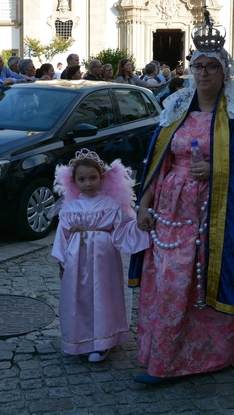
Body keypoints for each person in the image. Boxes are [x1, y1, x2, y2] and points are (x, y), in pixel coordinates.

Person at [130, 15, 234, 384]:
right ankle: (164, 353)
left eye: (212, 67)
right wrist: (144, 203)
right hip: (170, 212)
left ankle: (203, 357)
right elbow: (158, 161)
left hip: (216, 218)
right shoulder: (174, 110)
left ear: (224, 72)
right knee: (168, 284)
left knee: (201, 285)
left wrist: (217, 171)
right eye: (198, 66)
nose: (203, 74)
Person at [52, 149, 150, 362]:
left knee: (103, 296)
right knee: (79, 297)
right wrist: (62, 261)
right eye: (82, 179)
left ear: (101, 177)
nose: (88, 183)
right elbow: (63, 234)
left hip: (104, 259)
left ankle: (103, 341)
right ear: (74, 181)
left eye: (93, 178)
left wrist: (141, 226)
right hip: (76, 259)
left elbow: (124, 227)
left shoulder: (111, 204)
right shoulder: (70, 207)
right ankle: (80, 339)